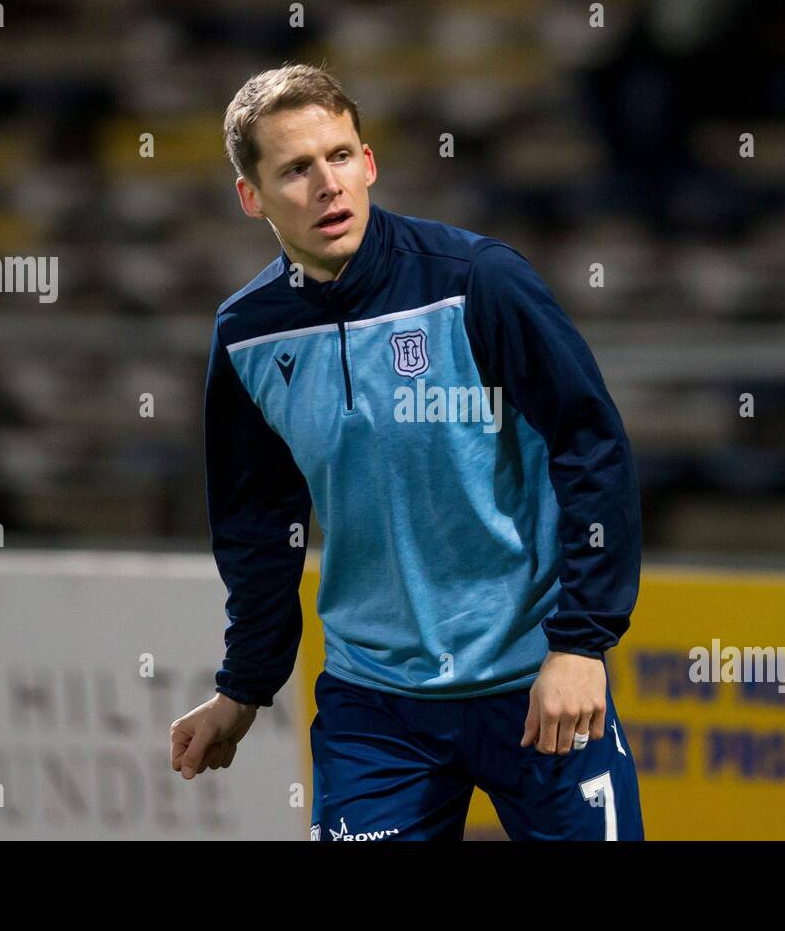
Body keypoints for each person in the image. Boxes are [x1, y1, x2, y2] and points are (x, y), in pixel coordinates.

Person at [170, 62, 645, 840]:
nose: (328, 185)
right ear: (251, 197)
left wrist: (581, 644)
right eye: (296, 169)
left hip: (535, 684)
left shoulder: (477, 280)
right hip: (376, 710)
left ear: (369, 162)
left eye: (341, 156)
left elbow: (590, 445)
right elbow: (258, 527)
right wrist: (244, 687)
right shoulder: (246, 334)